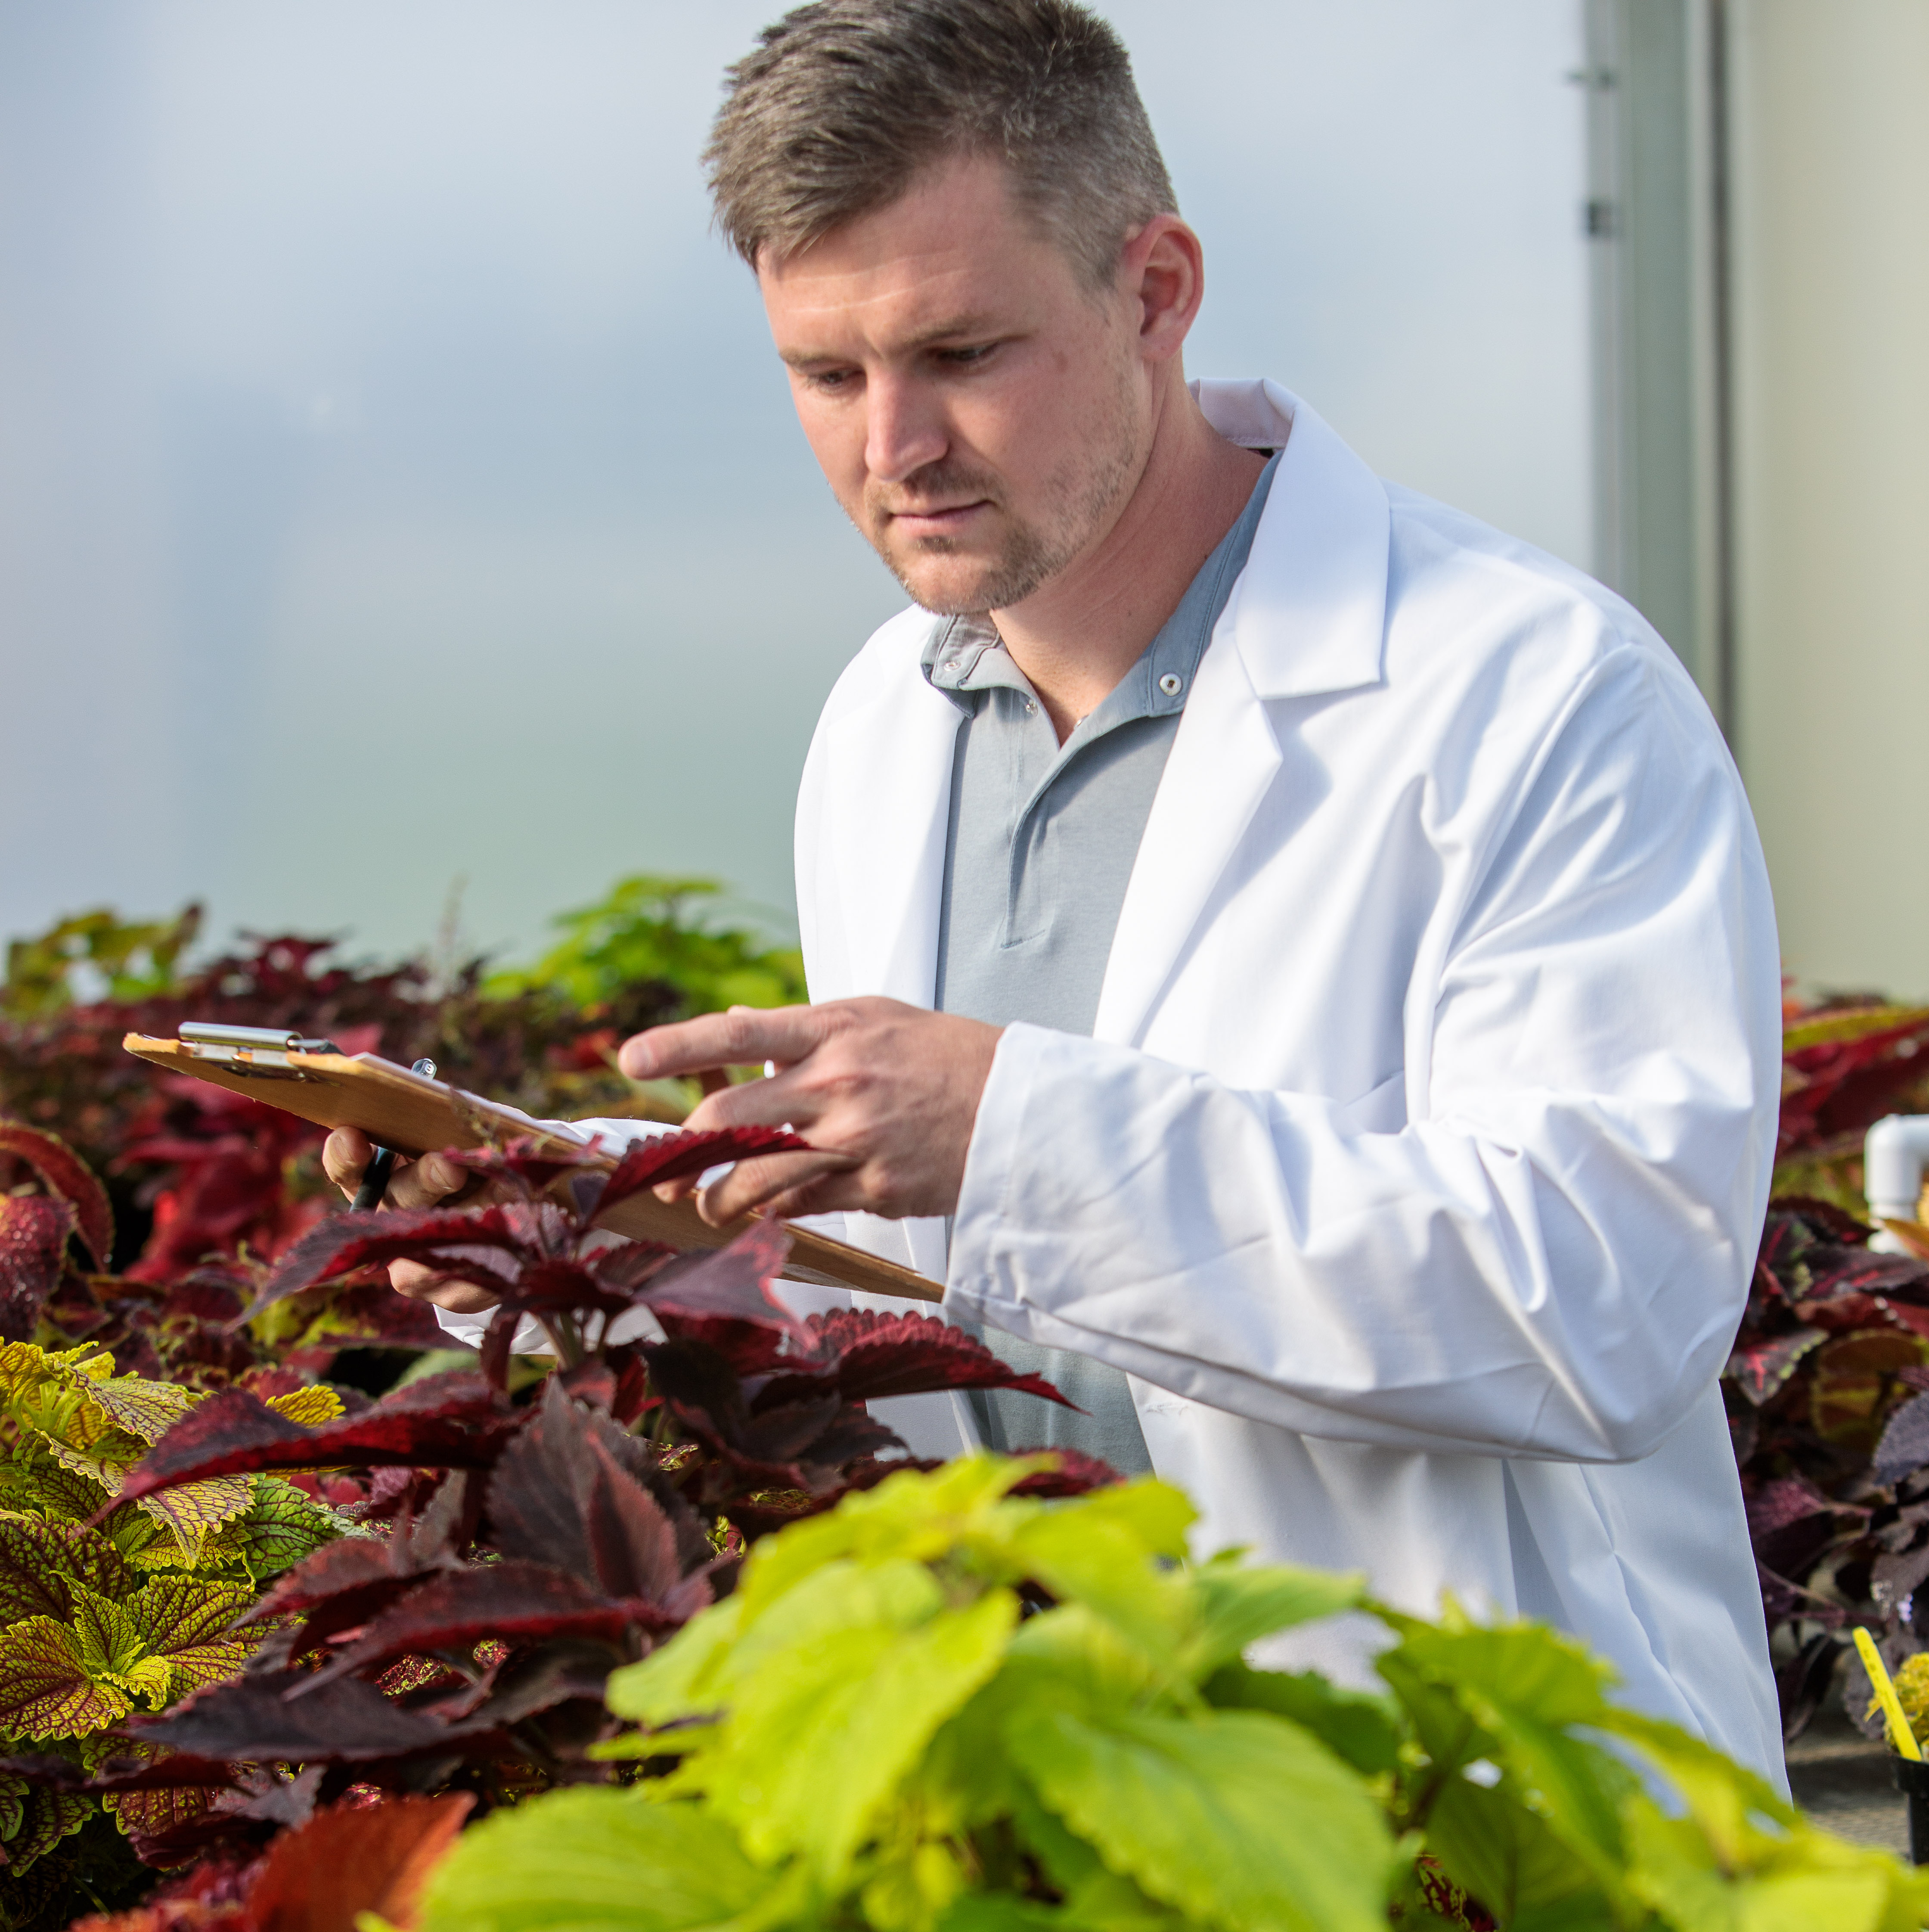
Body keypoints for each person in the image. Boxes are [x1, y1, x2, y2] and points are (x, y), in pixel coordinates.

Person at [326, 0, 1786, 1781]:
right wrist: (563, 1241)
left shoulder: (1535, 694)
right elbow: (953, 1317)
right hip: (1069, 1810)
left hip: (1482, 1816)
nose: (896, 446)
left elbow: (1610, 1305)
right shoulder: (887, 720)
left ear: (1155, 289)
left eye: (962, 350)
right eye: (826, 374)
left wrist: (1008, 1128)